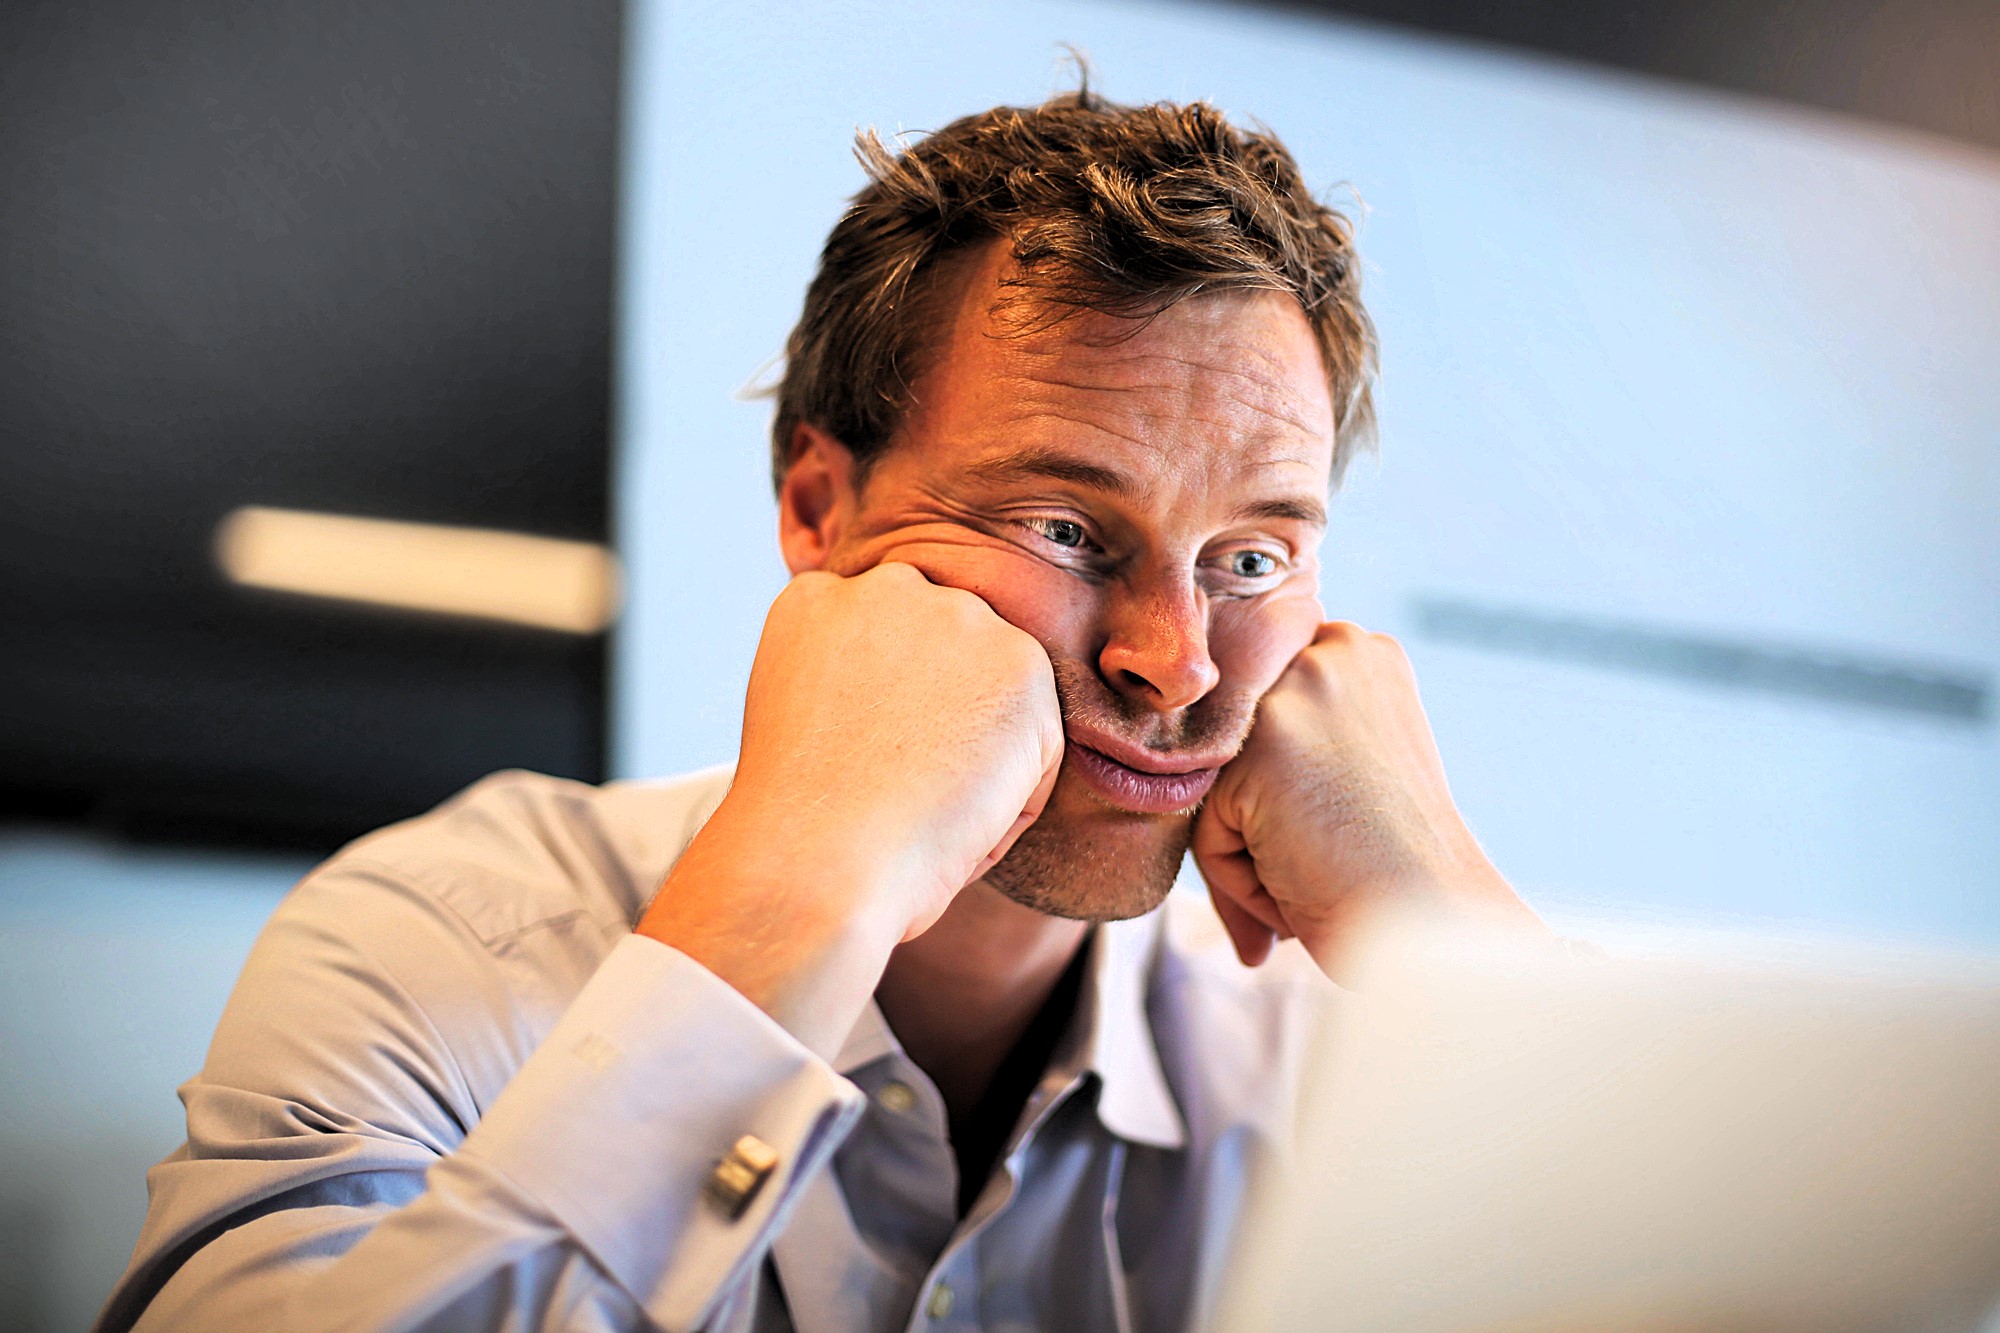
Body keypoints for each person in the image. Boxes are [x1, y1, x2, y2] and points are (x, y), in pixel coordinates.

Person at [97, 85, 1547, 1333]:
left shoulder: (1333, 1046)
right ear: (817, 507)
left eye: (1251, 558)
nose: (1175, 659)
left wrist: (1462, 953)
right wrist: (806, 884)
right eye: (1061, 526)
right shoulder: (437, 942)